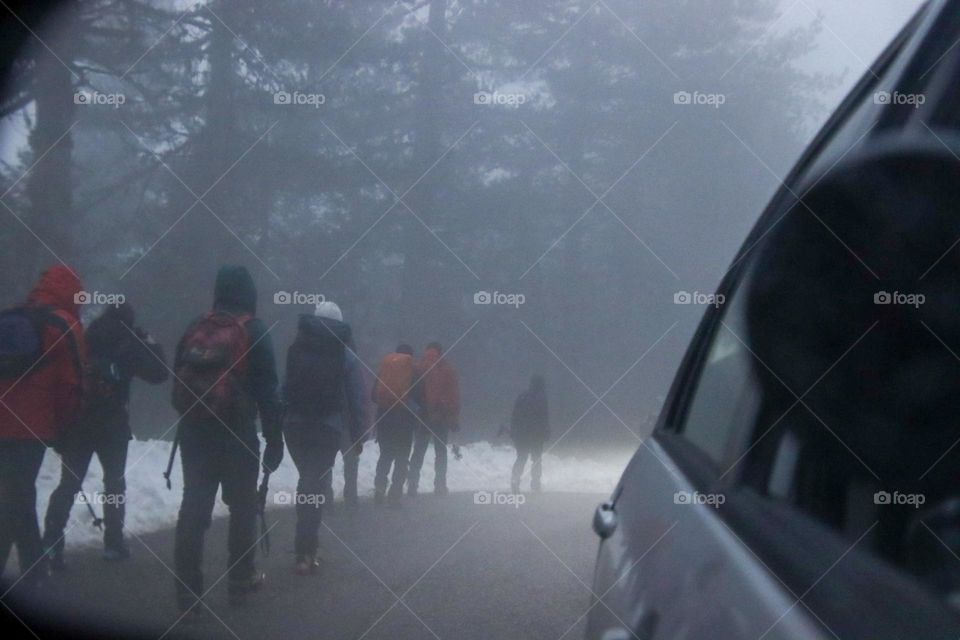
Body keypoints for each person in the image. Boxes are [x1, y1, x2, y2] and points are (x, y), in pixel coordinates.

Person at [170, 266, 283, 613]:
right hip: (238, 433)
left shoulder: (195, 327)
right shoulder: (254, 330)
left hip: (195, 432)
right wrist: (275, 439)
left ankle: (188, 593)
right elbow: (268, 393)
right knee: (242, 507)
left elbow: (179, 377)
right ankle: (239, 581)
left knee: (194, 506)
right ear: (249, 293)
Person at [43, 301, 168, 567]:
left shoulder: (86, 337)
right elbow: (159, 374)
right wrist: (151, 342)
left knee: (68, 483)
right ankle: (113, 545)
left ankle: (51, 545)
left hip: (79, 421)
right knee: (113, 483)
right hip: (112, 425)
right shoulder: (129, 340)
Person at [0, 265, 85, 593]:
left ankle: (33, 570)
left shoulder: (10, 315)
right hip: (31, 426)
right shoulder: (65, 325)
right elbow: (71, 385)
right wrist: (65, 429)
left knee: (13, 494)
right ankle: (35, 572)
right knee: (18, 494)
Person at [282, 300, 366, 575]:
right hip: (327, 427)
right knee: (312, 486)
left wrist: (277, 424)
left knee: (307, 481)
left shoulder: (297, 348)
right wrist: (359, 433)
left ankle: (304, 548)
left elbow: (284, 389)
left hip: (294, 427)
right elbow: (357, 398)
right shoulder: (346, 355)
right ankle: (306, 551)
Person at [407, 342, 459, 496]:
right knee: (440, 452)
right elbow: (454, 396)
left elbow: (411, 392)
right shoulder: (447, 369)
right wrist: (454, 418)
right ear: (440, 352)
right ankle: (440, 485)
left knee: (418, 451)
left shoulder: (418, 367)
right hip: (441, 417)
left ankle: (412, 484)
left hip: (423, 416)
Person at [372, 344, 418, 504]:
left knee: (385, 456)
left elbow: (373, 396)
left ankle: (379, 488)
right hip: (404, 422)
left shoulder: (384, 370)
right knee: (402, 459)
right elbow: (420, 399)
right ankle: (395, 493)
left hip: (385, 420)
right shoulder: (414, 372)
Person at [510, 375, 549, 493]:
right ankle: (536, 483)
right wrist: (546, 431)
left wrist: (513, 431)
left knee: (521, 457)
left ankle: (515, 481)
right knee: (536, 459)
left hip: (522, 433)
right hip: (537, 434)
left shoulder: (522, 397)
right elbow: (544, 418)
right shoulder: (542, 399)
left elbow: (514, 416)